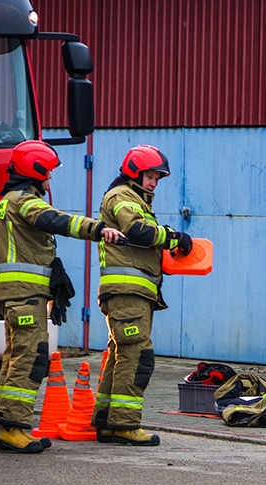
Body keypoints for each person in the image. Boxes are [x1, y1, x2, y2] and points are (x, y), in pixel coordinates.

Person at [0, 140, 122, 453]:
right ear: (35, 172)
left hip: (17, 293)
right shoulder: (24, 201)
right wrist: (98, 229)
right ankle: (13, 428)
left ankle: (9, 424)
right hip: (25, 293)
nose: (50, 179)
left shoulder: (8, 200)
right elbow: (56, 220)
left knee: (16, 358)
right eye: (48, 173)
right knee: (30, 358)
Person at [91, 145, 192, 446]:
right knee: (138, 355)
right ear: (135, 171)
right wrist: (172, 237)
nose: (154, 183)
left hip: (131, 294)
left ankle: (107, 422)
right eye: (150, 176)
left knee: (122, 355)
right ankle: (125, 424)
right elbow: (137, 231)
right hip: (127, 293)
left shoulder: (133, 198)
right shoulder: (122, 197)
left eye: (157, 179)